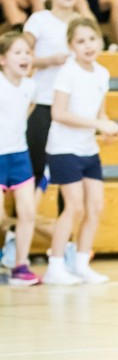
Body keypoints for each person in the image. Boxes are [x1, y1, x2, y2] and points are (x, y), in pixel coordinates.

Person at [43, 18, 118, 285]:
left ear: (99, 39)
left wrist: (105, 128)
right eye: (80, 41)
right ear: (71, 46)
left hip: (88, 148)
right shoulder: (67, 73)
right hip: (64, 148)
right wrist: (97, 123)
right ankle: (55, 265)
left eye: (92, 39)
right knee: (73, 207)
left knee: (95, 206)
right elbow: (58, 113)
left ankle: (81, 264)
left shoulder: (102, 73)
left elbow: (99, 112)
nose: (88, 46)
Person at [24, 0, 90, 204]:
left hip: (72, 111)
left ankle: (66, 238)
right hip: (43, 103)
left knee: (69, 176)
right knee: (34, 170)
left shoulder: (82, 24)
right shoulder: (39, 20)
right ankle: (17, 232)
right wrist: (47, 61)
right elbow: (19, 56)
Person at [0, 32, 40, 286]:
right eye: (18, 52)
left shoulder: (30, 86)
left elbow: (29, 107)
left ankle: (20, 266)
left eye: (27, 52)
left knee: (28, 211)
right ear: (3, 59)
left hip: (19, 155)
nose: (25, 57)